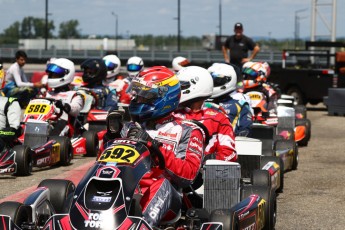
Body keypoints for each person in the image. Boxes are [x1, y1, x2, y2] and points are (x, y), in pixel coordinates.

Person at [104, 66, 204, 227]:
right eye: (137, 94)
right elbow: (107, 163)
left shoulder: (188, 131)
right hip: (126, 188)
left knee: (161, 184)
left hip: (167, 196)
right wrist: (110, 139)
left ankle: (143, 225)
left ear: (164, 97)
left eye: (144, 95)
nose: (137, 100)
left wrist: (154, 147)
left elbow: (188, 175)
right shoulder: (130, 127)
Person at [174, 65, 237, 162]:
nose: (178, 90)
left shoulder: (218, 117)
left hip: (204, 173)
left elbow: (229, 154)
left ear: (198, 86)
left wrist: (208, 161)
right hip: (168, 169)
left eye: (182, 86)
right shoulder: (171, 113)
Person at [206, 63, 253, 137]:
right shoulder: (198, 102)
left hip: (226, 143)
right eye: (210, 80)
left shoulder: (240, 104)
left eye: (216, 81)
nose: (213, 83)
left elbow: (244, 132)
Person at [45, 58, 84, 136]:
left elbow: (75, 110)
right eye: (51, 74)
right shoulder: (47, 93)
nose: (52, 76)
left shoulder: (74, 95)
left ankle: (52, 140)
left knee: (59, 124)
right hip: (45, 122)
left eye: (55, 74)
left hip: (63, 126)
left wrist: (64, 105)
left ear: (66, 74)